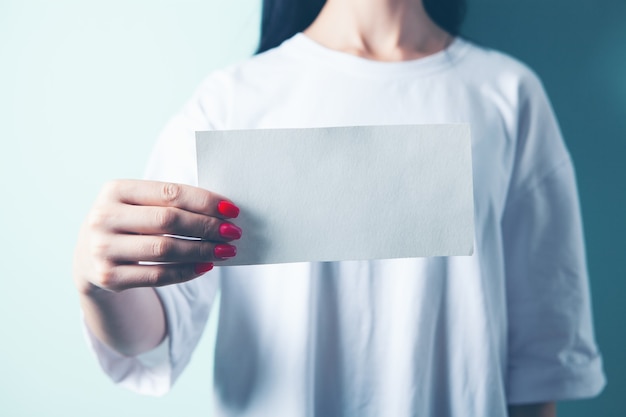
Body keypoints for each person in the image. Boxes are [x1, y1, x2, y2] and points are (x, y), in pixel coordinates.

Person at [73, 0, 606, 416]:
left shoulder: (508, 96)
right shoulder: (232, 101)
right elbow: (156, 334)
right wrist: (97, 282)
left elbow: (540, 362)